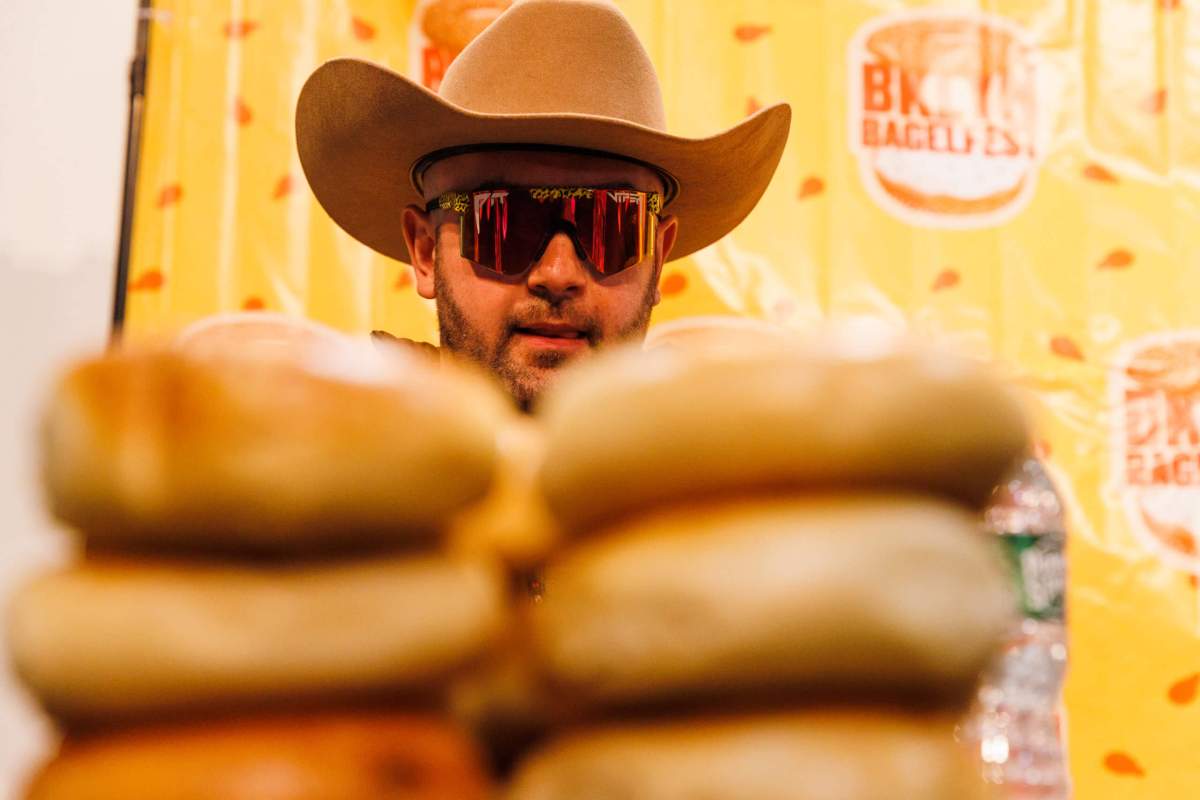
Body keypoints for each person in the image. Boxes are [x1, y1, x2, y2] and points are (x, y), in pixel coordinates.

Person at [296, 0, 790, 409]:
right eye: (504, 222)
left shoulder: (717, 498)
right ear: (425, 252)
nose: (558, 273)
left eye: (610, 225)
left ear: (657, 259)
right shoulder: (315, 478)